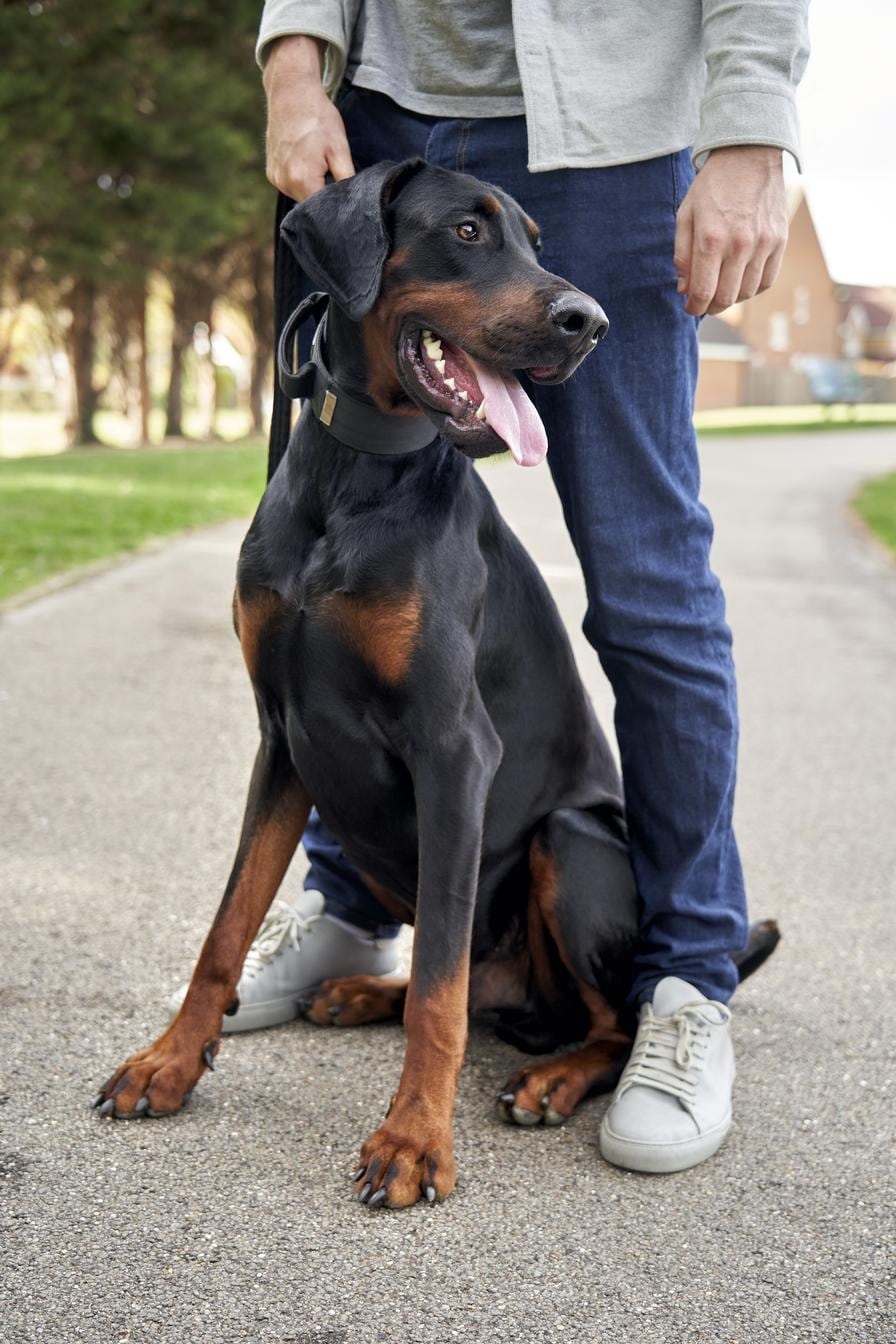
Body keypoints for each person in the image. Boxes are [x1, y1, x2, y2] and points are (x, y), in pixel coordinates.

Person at [173, 0, 810, 1173]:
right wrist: (294, 70)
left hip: (605, 137)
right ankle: (357, 920)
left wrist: (751, 130)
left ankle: (677, 983)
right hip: (371, 111)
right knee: (317, 582)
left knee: (645, 582)